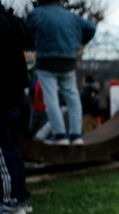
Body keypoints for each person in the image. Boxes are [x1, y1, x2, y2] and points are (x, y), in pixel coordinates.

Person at [26, 0, 96, 145]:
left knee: (51, 99)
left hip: (46, 60)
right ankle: (76, 136)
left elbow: (27, 35)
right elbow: (90, 28)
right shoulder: (71, 16)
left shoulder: (35, 14)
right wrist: (77, 41)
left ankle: (60, 136)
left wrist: (36, 44)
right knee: (73, 97)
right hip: (68, 59)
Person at [0, 0, 32, 214]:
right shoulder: (11, 20)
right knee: (12, 149)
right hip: (14, 95)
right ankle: (20, 197)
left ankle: (11, 202)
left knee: (0, 149)